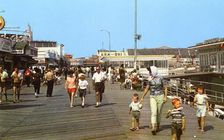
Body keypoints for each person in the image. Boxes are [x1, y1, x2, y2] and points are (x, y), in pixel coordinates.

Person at [140, 66, 167, 135]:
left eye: (150, 71)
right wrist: (142, 97)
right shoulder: (149, 78)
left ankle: (158, 125)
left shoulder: (161, 78)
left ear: (154, 71)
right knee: (153, 112)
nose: (150, 73)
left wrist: (165, 97)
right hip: (152, 96)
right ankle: (153, 127)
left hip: (160, 96)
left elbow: (165, 88)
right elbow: (147, 88)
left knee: (159, 112)